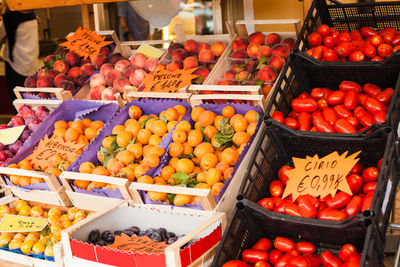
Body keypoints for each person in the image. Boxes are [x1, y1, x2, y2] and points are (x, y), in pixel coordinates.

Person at [0, 7, 38, 103]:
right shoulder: (32, 16)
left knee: (17, 101)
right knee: (32, 100)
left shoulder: (10, 17)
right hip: (32, 64)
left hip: (15, 65)